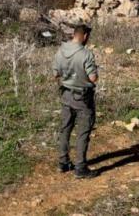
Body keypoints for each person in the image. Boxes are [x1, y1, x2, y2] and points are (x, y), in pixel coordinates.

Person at [53, 24, 99, 179]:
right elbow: (93, 78)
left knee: (65, 129)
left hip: (66, 95)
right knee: (83, 132)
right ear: (85, 36)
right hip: (83, 98)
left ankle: (63, 162)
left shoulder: (61, 50)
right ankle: (80, 168)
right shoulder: (86, 54)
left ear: (74, 34)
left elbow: (55, 74)